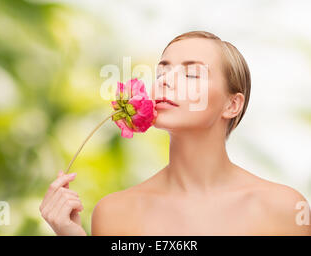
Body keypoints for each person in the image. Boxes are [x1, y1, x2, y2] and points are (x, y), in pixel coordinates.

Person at [39, 31, 311, 236]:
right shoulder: (114, 213)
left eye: (192, 74)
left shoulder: (285, 209)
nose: (166, 80)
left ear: (232, 105)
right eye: (162, 72)